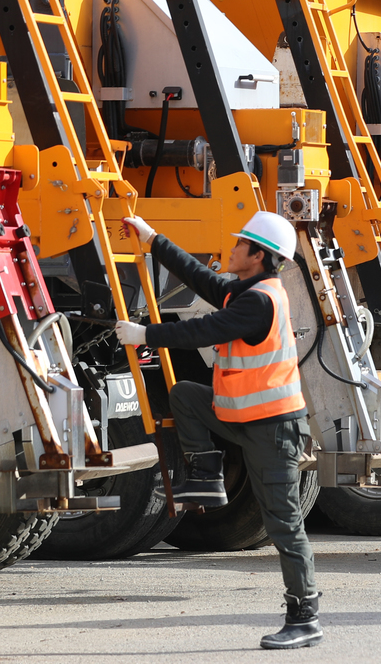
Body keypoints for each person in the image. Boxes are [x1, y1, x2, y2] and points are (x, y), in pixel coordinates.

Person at [115, 210, 322, 650]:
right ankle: (207, 477)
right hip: (241, 418)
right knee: (187, 395)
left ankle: (304, 616)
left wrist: (144, 334)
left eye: (239, 245)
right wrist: (153, 238)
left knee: (283, 524)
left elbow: (204, 329)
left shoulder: (259, 301)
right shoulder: (247, 290)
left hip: (272, 430)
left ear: (260, 256)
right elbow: (199, 278)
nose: (231, 249)